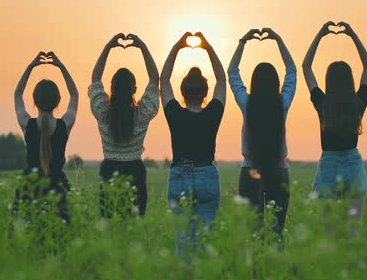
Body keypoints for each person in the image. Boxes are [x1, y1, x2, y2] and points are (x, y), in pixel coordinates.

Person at [302, 21, 367, 228]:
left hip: (329, 164)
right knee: (353, 229)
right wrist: (352, 34)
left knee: (329, 229)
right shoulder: (358, 103)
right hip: (353, 162)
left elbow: (306, 66)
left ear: (328, 81)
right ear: (350, 80)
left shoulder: (323, 104)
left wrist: (320, 34)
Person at [161, 32, 226, 255]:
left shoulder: (174, 114)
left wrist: (178, 47)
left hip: (180, 175)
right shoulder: (213, 113)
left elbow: (163, 79)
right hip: (207, 175)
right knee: (205, 245)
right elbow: (222, 79)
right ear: (206, 93)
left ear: (182, 92)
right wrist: (207, 47)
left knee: (183, 245)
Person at [228, 28, 297, 237]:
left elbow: (232, 71)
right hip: (278, 170)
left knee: (253, 234)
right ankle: (276, 268)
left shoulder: (248, 103)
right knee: (277, 232)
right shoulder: (282, 103)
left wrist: (243, 41)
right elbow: (292, 70)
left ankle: (256, 270)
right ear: (276, 83)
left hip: (250, 171)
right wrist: (278, 40)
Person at [89, 33, 159, 217]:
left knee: (110, 230)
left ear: (111, 88)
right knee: (133, 229)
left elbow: (95, 79)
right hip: (135, 171)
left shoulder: (103, 113)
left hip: (109, 169)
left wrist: (108, 47)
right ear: (134, 89)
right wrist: (143, 46)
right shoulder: (142, 113)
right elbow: (154, 80)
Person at [12, 51, 79, 225]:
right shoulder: (65, 124)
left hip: (30, 188)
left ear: (34, 100)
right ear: (58, 100)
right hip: (58, 188)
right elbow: (75, 94)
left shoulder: (27, 124)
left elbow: (17, 93)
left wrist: (31, 66)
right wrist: (61, 66)